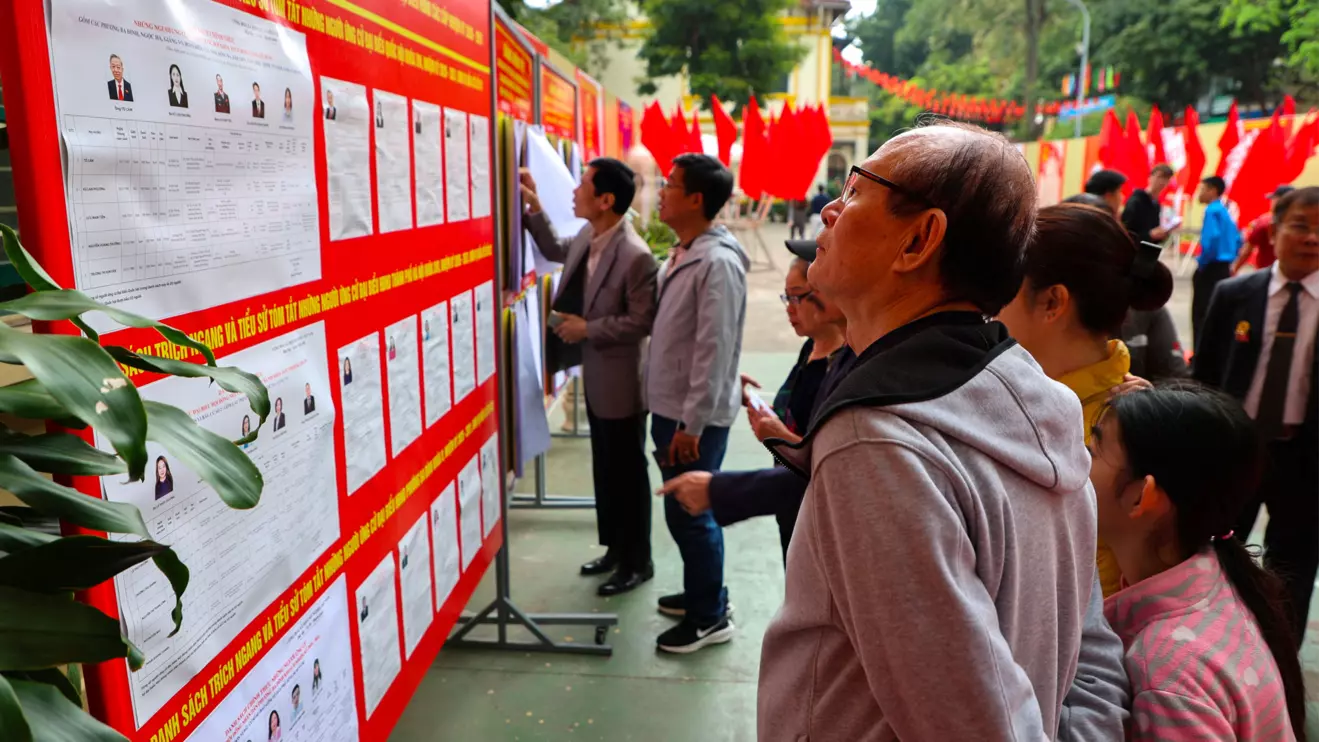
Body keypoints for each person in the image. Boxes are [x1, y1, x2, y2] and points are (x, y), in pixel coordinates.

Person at [758, 123, 1106, 739]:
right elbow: (1090, 650)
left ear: (919, 240)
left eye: (855, 189)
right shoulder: (1040, 397)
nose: (829, 208)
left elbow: (973, 724)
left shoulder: (879, 442)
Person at [1092, 384, 1307, 740]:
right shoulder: (1220, 582)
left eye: (1094, 450)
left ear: (1140, 497)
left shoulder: (1165, 675)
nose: (1077, 461)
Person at [998, 201, 1175, 598]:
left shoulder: (1117, 435)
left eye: (1003, 284)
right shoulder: (1017, 392)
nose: (987, 302)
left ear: (1052, 303)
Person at [660, 240, 846, 564]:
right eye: (786, 296)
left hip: (815, 519)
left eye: (798, 296)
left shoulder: (846, 371)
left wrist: (776, 438)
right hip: (792, 512)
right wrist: (754, 401)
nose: (789, 306)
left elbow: (827, 466)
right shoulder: (812, 350)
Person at [521, 158, 658, 596]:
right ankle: (615, 550)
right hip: (599, 378)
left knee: (628, 476)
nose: (574, 192)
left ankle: (639, 561)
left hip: (622, 384)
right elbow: (557, 248)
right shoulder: (588, 234)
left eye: (582, 185)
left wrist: (588, 329)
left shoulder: (635, 255)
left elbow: (641, 321)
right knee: (605, 470)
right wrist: (533, 207)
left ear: (606, 200)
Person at [1193, 186, 1319, 638]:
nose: (1311, 238)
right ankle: (1207, 647)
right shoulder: (1234, 294)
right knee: (1213, 557)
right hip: (1236, 449)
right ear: (1275, 228)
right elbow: (1205, 374)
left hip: (1306, 460)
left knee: (1294, 568)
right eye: (1301, 225)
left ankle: (1279, 663)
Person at [646, 153, 746, 654]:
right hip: (674, 408)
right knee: (682, 512)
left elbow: (714, 347)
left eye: (670, 185)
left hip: (692, 419)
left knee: (692, 510)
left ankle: (710, 616)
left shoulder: (718, 262)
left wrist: (693, 423)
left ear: (695, 200)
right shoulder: (687, 252)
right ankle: (702, 594)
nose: (661, 192)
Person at [1192, 175, 1240, 346]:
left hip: (1211, 268)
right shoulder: (1224, 210)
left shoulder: (1211, 210)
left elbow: (1210, 240)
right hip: (1223, 268)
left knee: (1201, 312)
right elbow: (1237, 239)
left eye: (1202, 189)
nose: (1199, 193)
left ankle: (1199, 355)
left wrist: (1202, 263)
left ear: (1212, 190)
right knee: (1218, 312)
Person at [1235, 185, 1295, 274]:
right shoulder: (1303, 223)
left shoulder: (1265, 221)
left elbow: (1247, 250)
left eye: (1273, 199)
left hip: (1266, 274)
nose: (1271, 202)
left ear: (1280, 200)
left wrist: (1235, 268)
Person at [1121, 163, 1174, 245]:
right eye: (1159, 177)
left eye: (1166, 179)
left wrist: (1163, 234)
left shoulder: (1157, 204)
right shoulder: (1136, 201)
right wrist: (1149, 235)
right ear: (1150, 177)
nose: (1162, 182)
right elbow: (1125, 231)